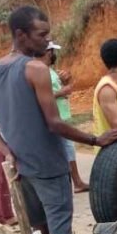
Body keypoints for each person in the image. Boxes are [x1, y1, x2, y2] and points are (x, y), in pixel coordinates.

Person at [0, 6, 117, 234]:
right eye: (41, 35)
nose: (46, 40)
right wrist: (95, 140)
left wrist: (7, 151)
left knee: (41, 227)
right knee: (61, 231)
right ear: (21, 34)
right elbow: (54, 123)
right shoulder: (35, 70)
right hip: (48, 165)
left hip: (21, 167)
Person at [37, 41, 89, 193]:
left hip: (62, 116)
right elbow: (41, 97)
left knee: (68, 150)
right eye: (53, 52)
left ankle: (76, 181)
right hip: (55, 118)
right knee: (63, 150)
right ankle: (73, 182)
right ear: (48, 52)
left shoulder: (50, 70)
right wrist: (62, 92)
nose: (55, 55)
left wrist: (65, 83)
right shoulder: (41, 72)